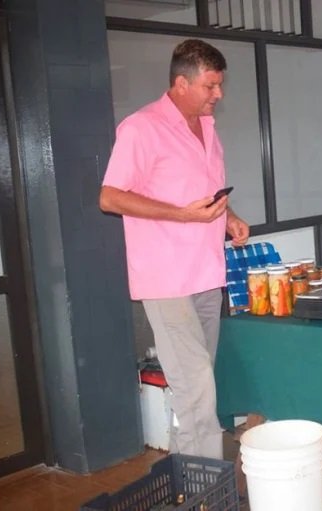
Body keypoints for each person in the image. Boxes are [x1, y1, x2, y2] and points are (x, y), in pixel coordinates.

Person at [100, 39, 250, 459]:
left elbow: (205, 190)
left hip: (206, 272)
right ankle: (208, 485)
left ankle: (186, 474)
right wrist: (181, 215)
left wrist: (228, 216)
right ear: (181, 83)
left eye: (220, 85)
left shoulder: (207, 128)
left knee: (194, 386)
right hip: (166, 278)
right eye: (210, 86)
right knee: (196, 385)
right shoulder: (141, 128)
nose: (218, 94)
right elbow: (109, 197)